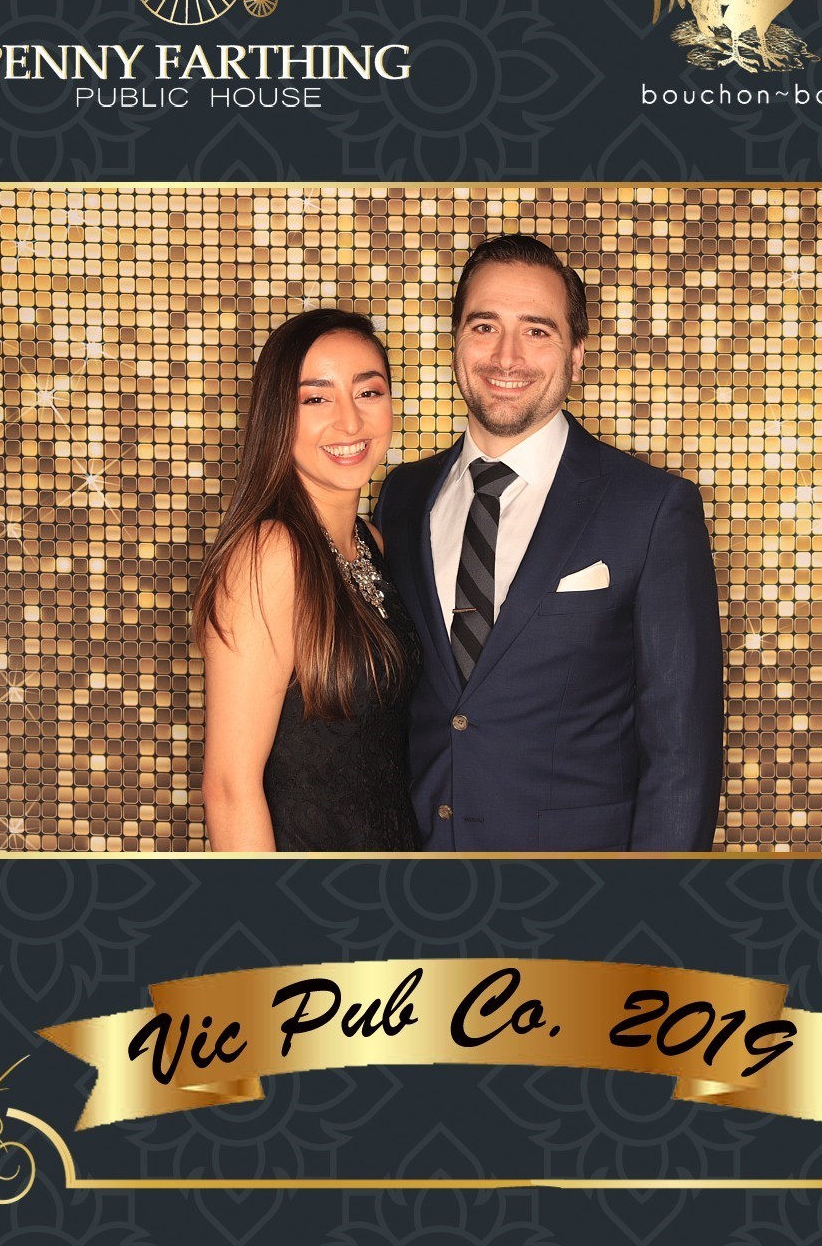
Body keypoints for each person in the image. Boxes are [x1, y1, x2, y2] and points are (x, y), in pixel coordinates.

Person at [374, 235, 723, 852]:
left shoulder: (651, 509)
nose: (506, 356)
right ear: (456, 342)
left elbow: (682, 754)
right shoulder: (402, 496)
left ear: (576, 355)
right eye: (485, 326)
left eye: (537, 331)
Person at [194, 309, 420, 852]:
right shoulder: (271, 553)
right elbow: (229, 788)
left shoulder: (371, 541)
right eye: (316, 399)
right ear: (278, 415)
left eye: (368, 393)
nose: (350, 422)